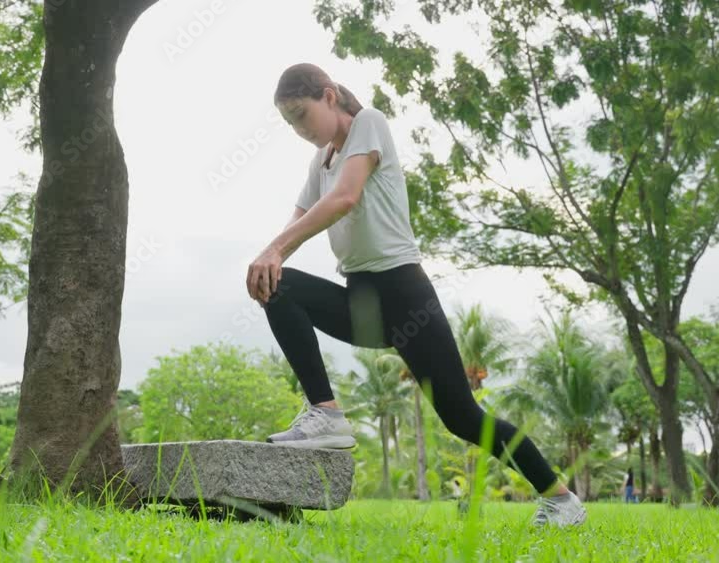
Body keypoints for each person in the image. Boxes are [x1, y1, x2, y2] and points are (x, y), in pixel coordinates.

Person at [245, 62, 586, 527]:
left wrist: (276, 250)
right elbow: (302, 215)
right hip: (362, 299)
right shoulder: (320, 160)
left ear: (328, 96)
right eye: (289, 123)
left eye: (301, 115)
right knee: (278, 285)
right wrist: (272, 255)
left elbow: (344, 198)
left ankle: (562, 501)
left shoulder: (369, 123)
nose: (299, 130)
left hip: (405, 296)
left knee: (462, 417)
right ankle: (325, 413)